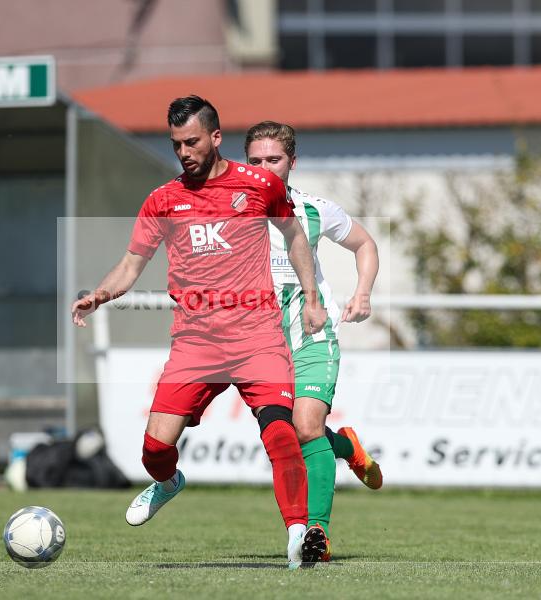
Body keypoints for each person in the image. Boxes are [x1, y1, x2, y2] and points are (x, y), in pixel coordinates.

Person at [72, 96, 330, 568]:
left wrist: (312, 297)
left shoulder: (258, 185)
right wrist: (100, 295)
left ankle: (298, 535)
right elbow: (132, 264)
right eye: (176, 145)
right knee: (154, 450)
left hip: (257, 337)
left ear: (215, 137)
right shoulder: (163, 200)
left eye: (192, 141)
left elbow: (294, 235)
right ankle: (169, 482)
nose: (184, 152)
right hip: (196, 343)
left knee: (279, 430)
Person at [245, 121, 383, 561]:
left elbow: (365, 245)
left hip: (312, 334)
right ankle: (345, 446)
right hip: (260, 346)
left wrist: (362, 293)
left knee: (305, 428)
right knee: (291, 434)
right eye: (255, 160)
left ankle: (317, 535)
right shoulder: (230, 213)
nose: (264, 168)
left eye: (273, 159)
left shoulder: (314, 209)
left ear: (292, 163)